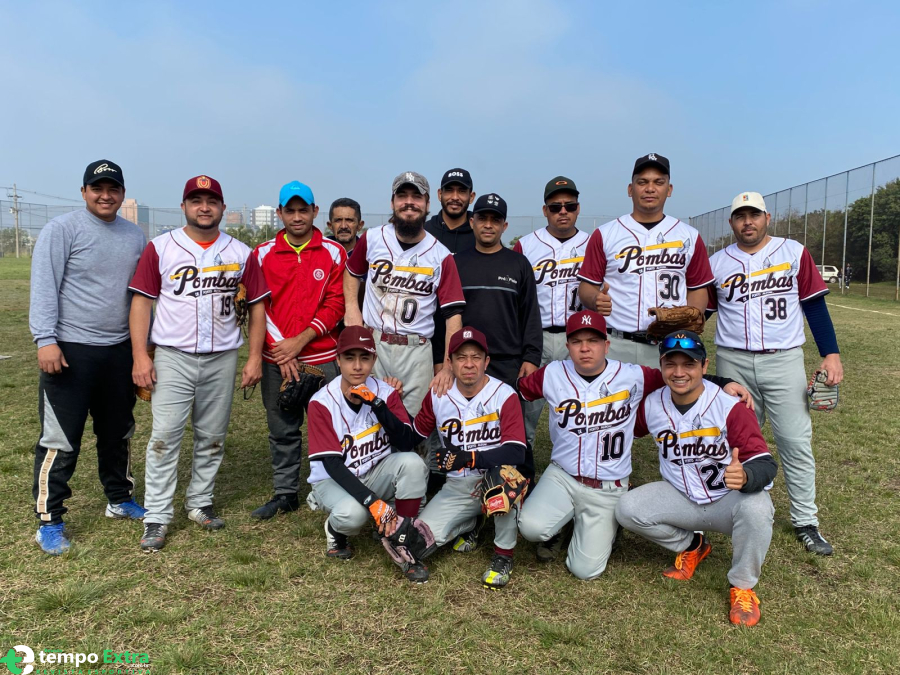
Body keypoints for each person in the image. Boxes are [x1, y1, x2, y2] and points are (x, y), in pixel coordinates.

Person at [517, 312, 751, 578]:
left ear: (606, 345)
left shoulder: (633, 376)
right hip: (562, 476)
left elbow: (679, 377)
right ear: (567, 345)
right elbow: (516, 392)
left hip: (607, 486)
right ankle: (566, 518)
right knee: (530, 528)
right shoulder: (552, 373)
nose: (585, 348)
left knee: (584, 571)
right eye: (577, 341)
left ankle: (607, 523)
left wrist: (724, 382)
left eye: (593, 341)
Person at [129, 175, 269, 552]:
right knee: (164, 437)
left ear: (222, 207)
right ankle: (157, 515)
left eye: (211, 201)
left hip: (222, 356)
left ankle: (200, 502)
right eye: (196, 200)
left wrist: (254, 357)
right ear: (184, 207)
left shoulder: (241, 252)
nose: (204, 207)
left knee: (212, 436)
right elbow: (141, 301)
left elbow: (258, 307)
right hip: (172, 356)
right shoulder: (161, 247)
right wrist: (140, 355)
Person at [707, 191, 844, 556]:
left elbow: (814, 307)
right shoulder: (717, 263)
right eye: (740, 216)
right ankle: (737, 510)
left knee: (795, 442)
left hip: (784, 360)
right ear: (732, 222)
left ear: (767, 218)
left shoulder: (793, 252)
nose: (747, 222)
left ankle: (806, 521)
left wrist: (831, 355)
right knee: (735, 442)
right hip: (733, 360)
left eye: (754, 215)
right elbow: (699, 312)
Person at [615, 332, 778, 627]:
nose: (679, 372)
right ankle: (693, 545)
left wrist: (747, 475)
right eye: (671, 364)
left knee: (758, 508)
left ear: (704, 366)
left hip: (727, 501)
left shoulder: (730, 406)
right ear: (661, 366)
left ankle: (743, 586)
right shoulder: (651, 405)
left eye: (689, 364)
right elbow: (624, 428)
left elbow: (765, 463)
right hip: (681, 498)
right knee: (628, 509)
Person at [29, 159, 147, 555]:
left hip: (118, 351)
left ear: (123, 194)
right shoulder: (62, 229)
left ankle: (119, 498)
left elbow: (140, 296)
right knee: (60, 439)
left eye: (113, 189)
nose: (105, 195)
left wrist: (142, 349)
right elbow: (44, 285)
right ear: (84, 192)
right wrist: (45, 339)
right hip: (70, 350)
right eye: (98, 188)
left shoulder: (134, 235)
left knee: (118, 432)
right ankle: (50, 520)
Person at [248, 181, 347, 520]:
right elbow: (259, 306)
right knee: (282, 428)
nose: (297, 216)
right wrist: (283, 350)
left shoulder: (334, 252)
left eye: (303, 209)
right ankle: (286, 493)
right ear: (279, 213)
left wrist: (300, 341)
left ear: (315, 211)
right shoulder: (262, 254)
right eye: (289, 210)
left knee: (331, 428)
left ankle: (335, 489)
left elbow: (336, 304)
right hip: (277, 359)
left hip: (322, 358)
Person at [305, 326, 431, 583]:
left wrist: (377, 404)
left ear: (374, 359)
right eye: (349, 358)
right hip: (333, 479)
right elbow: (332, 464)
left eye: (364, 358)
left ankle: (400, 536)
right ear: (338, 360)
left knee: (412, 463)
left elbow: (406, 442)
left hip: (374, 471)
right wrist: (372, 502)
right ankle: (334, 528)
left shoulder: (384, 393)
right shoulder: (321, 402)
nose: (357, 366)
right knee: (355, 515)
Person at [343, 171, 466, 418]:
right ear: (392, 202)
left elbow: (453, 314)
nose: (409, 202)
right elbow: (351, 272)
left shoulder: (441, 255)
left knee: (415, 424)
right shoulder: (372, 238)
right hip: (375, 344)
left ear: (427, 204)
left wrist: (447, 367)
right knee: (368, 418)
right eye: (402, 196)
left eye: (416, 197)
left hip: (417, 351)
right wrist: (352, 309)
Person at [413, 327, 528, 589]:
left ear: (486, 362)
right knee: (418, 541)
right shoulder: (438, 394)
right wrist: (386, 404)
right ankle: (472, 522)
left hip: (495, 479)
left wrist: (469, 458)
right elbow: (413, 434)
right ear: (450, 362)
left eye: (476, 357)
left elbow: (516, 451)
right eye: (461, 357)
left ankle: (503, 554)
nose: (468, 364)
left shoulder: (504, 394)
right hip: (457, 487)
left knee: (507, 483)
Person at [578, 154, 714, 367]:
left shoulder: (689, 235)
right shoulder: (605, 234)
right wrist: (595, 299)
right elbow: (586, 286)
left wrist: (689, 323)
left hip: (670, 344)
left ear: (669, 190)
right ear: (630, 189)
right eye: (642, 182)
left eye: (658, 182)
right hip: (617, 342)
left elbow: (698, 289)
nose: (650, 188)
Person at [515, 176, 591, 448]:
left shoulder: (592, 244)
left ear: (578, 208)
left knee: (579, 412)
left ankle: (577, 465)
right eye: (556, 207)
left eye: (570, 206)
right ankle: (521, 466)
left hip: (578, 338)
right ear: (545, 210)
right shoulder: (526, 245)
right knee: (526, 412)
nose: (563, 211)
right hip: (538, 339)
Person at [455, 193, 541, 387]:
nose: (488, 225)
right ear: (472, 222)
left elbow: (531, 315)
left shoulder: (519, 264)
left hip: (508, 363)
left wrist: (531, 358)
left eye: (495, 220)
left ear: (505, 226)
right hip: (466, 360)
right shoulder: (455, 263)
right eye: (482, 219)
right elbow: (444, 317)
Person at [424, 168, 476, 252]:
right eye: (449, 190)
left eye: (462, 191)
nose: (455, 197)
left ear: (471, 197)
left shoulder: (480, 234)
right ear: (440, 194)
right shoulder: (424, 232)